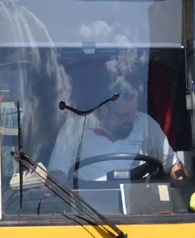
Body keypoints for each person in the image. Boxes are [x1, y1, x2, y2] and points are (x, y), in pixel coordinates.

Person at [48, 60, 186, 184]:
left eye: (133, 113)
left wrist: (183, 186)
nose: (131, 119)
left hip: (140, 203)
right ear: (103, 110)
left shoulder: (146, 124)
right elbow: (57, 174)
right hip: (87, 205)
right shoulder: (75, 128)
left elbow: (173, 165)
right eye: (124, 115)